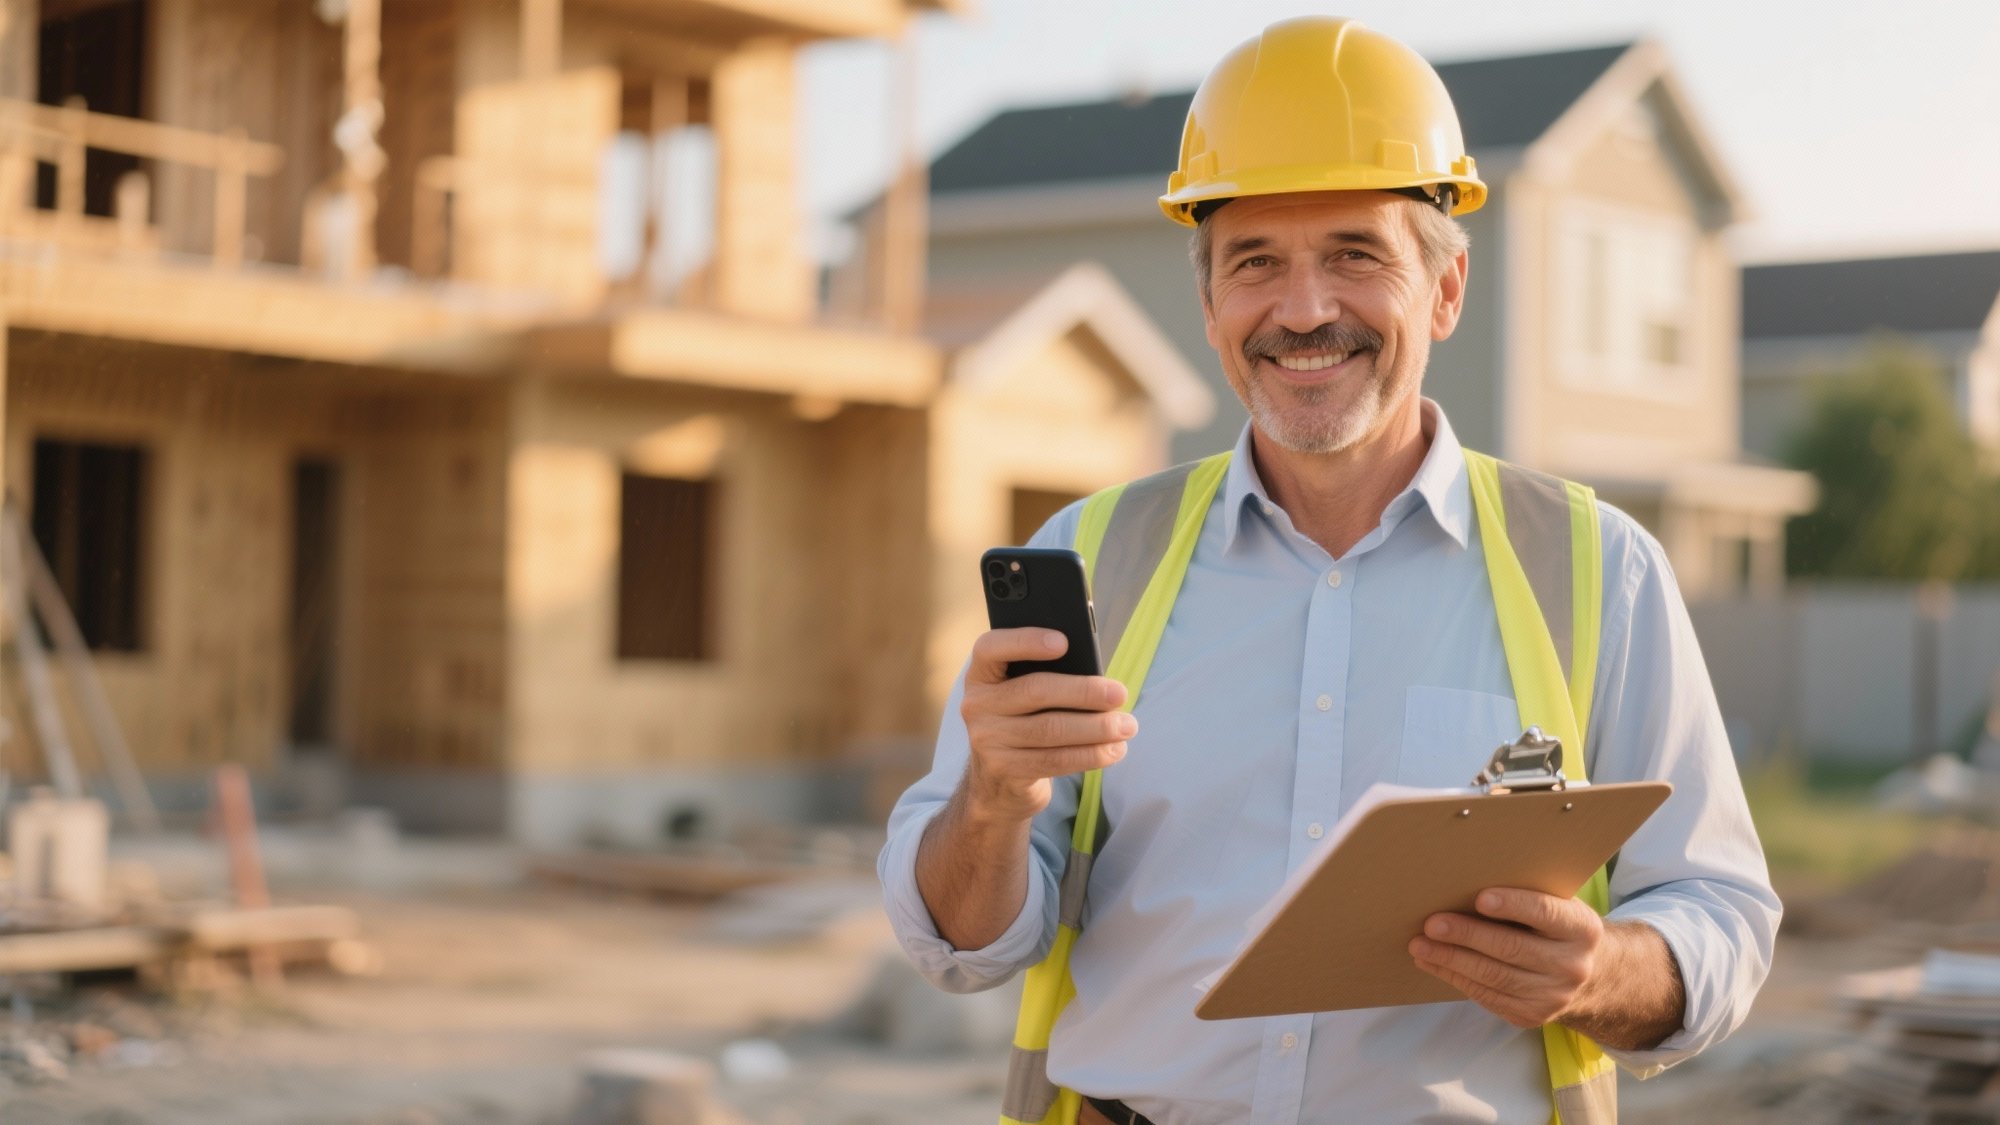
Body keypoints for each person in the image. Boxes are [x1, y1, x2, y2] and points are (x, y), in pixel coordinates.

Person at [879, 16, 1778, 1125]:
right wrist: (990, 803)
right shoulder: (1091, 558)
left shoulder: (1598, 571)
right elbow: (959, 950)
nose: (1302, 311)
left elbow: (1720, 912)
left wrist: (1599, 974)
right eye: (1255, 263)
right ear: (1210, 306)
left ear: (1443, 293)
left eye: (1354, 254)